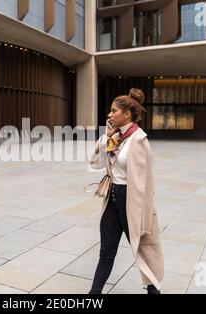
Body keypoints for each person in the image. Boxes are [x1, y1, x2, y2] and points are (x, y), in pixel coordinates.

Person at [89, 89, 164, 295]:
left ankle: (153, 291)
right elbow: (95, 163)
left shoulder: (139, 141)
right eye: (110, 112)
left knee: (144, 252)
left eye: (114, 111)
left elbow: (145, 184)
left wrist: (146, 215)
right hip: (113, 199)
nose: (110, 115)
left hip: (132, 202)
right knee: (106, 252)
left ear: (127, 114)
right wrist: (107, 137)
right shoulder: (116, 137)